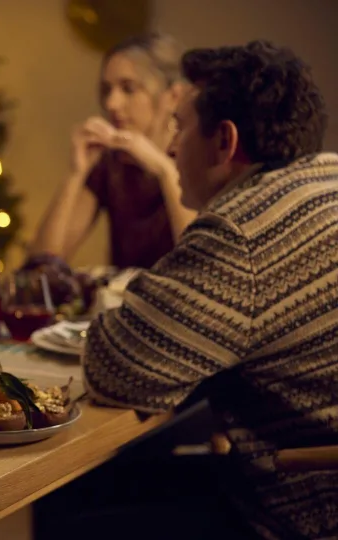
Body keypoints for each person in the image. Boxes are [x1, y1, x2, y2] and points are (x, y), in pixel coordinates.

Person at [78, 41, 335, 538]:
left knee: (74, 509)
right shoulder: (328, 175)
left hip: (303, 511)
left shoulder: (240, 234)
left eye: (180, 127)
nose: (172, 147)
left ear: (224, 142)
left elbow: (112, 370)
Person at [32, 32, 197, 270]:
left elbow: (200, 266)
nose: (111, 104)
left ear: (174, 96)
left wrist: (164, 171)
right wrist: (76, 173)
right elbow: (41, 267)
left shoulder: (197, 157)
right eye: (107, 90)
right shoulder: (112, 163)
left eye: (128, 89)